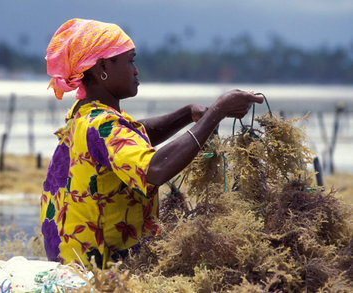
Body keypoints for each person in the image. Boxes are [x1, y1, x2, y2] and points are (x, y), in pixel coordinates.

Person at [40, 18, 263, 269]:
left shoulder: (84, 115)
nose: (136, 70)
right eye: (130, 60)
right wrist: (217, 112)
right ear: (102, 67)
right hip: (98, 269)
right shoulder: (102, 125)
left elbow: (134, 135)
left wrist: (187, 114)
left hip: (72, 260)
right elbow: (154, 170)